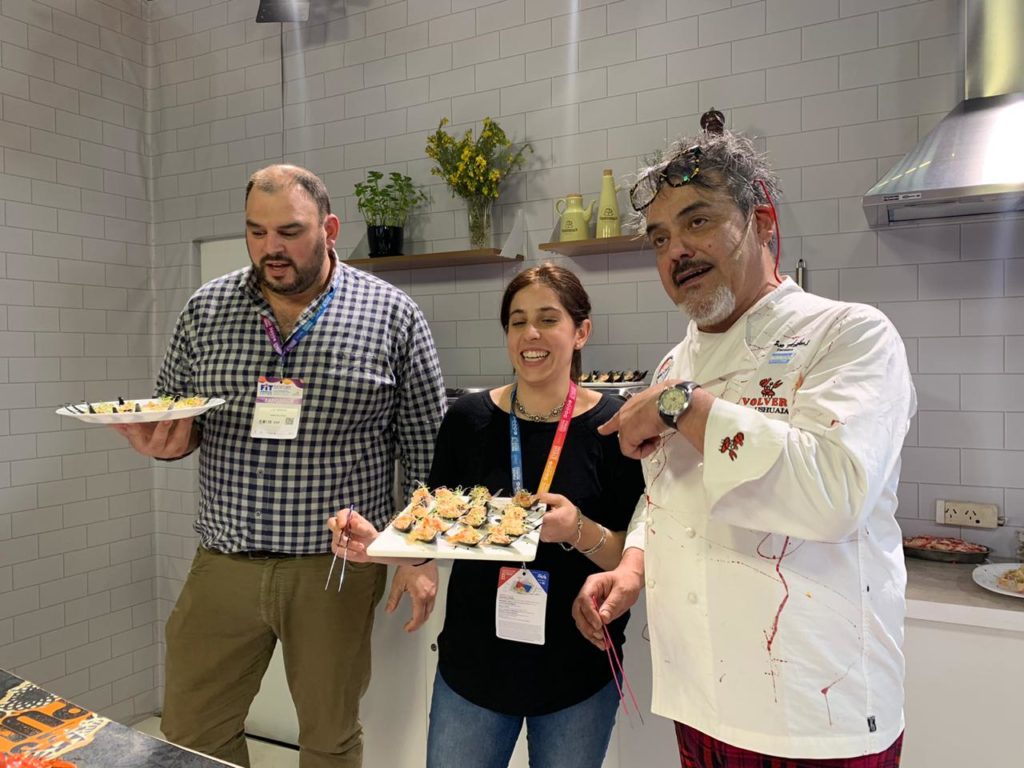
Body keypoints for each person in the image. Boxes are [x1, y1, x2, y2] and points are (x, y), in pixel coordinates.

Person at [574, 125, 916, 767]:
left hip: (814, 712)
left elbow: (835, 492)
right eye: (659, 239)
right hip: (703, 701)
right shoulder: (678, 359)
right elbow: (665, 494)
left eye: (698, 221)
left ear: (762, 221)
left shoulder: (848, 334)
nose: (676, 251)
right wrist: (632, 567)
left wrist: (682, 405)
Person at [114, 164, 445, 768]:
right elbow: (177, 418)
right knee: (190, 729)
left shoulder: (393, 314)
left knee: (329, 736)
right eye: (256, 231)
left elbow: (425, 446)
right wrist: (167, 443)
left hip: (335, 568)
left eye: (290, 231)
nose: (272, 248)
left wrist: (420, 556)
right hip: (223, 561)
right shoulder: (206, 309)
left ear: (330, 228)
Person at [330, 264, 645, 768]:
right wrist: (385, 545)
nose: (531, 334)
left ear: (581, 331)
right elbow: (434, 521)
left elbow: (633, 551)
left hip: (578, 664)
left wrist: (577, 530)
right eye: (517, 322)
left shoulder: (613, 426)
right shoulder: (468, 420)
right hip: (476, 663)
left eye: (548, 318)